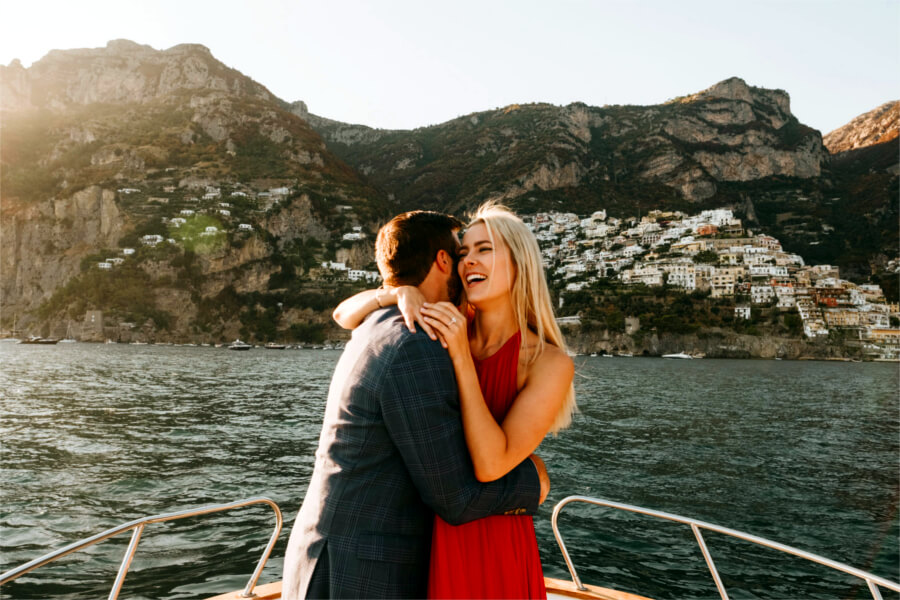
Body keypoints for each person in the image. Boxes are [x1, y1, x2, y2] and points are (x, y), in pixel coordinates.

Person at [281, 210, 550, 600]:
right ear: (443, 260)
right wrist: (534, 483)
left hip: (330, 555)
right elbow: (456, 498)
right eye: (460, 254)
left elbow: (343, 313)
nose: (467, 264)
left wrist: (394, 293)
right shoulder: (415, 344)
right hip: (362, 572)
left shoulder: (377, 322)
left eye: (482, 251)